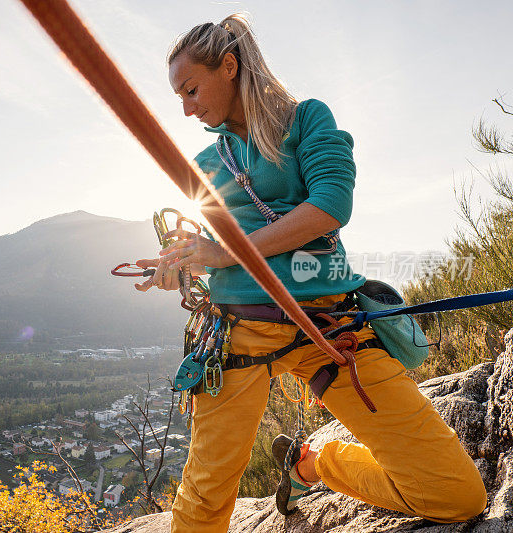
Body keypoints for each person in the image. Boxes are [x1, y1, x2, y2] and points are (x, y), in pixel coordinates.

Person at [134, 13, 487, 533]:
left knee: (457, 495)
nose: (186, 110)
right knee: (204, 507)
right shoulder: (208, 163)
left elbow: (329, 206)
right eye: (179, 99)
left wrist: (227, 254)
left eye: (190, 90)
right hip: (238, 333)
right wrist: (181, 269)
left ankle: (316, 464)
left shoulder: (307, 121)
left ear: (228, 66)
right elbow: (213, 255)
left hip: (331, 329)